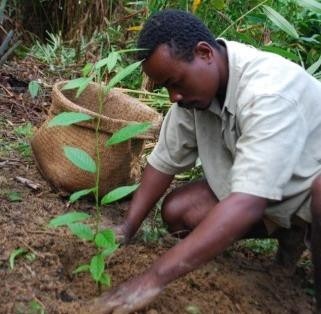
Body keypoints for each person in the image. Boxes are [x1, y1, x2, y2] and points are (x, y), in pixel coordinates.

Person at [85, 9, 321, 313]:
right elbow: (164, 162)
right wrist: (126, 228)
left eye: (175, 82)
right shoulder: (192, 96)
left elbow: (248, 203)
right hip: (277, 187)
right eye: (166, 88)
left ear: (204, 53)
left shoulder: (269, 94)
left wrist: (153, 279)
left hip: (307, 182)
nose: (173, 97)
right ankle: (292, 232)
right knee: (180, 212)